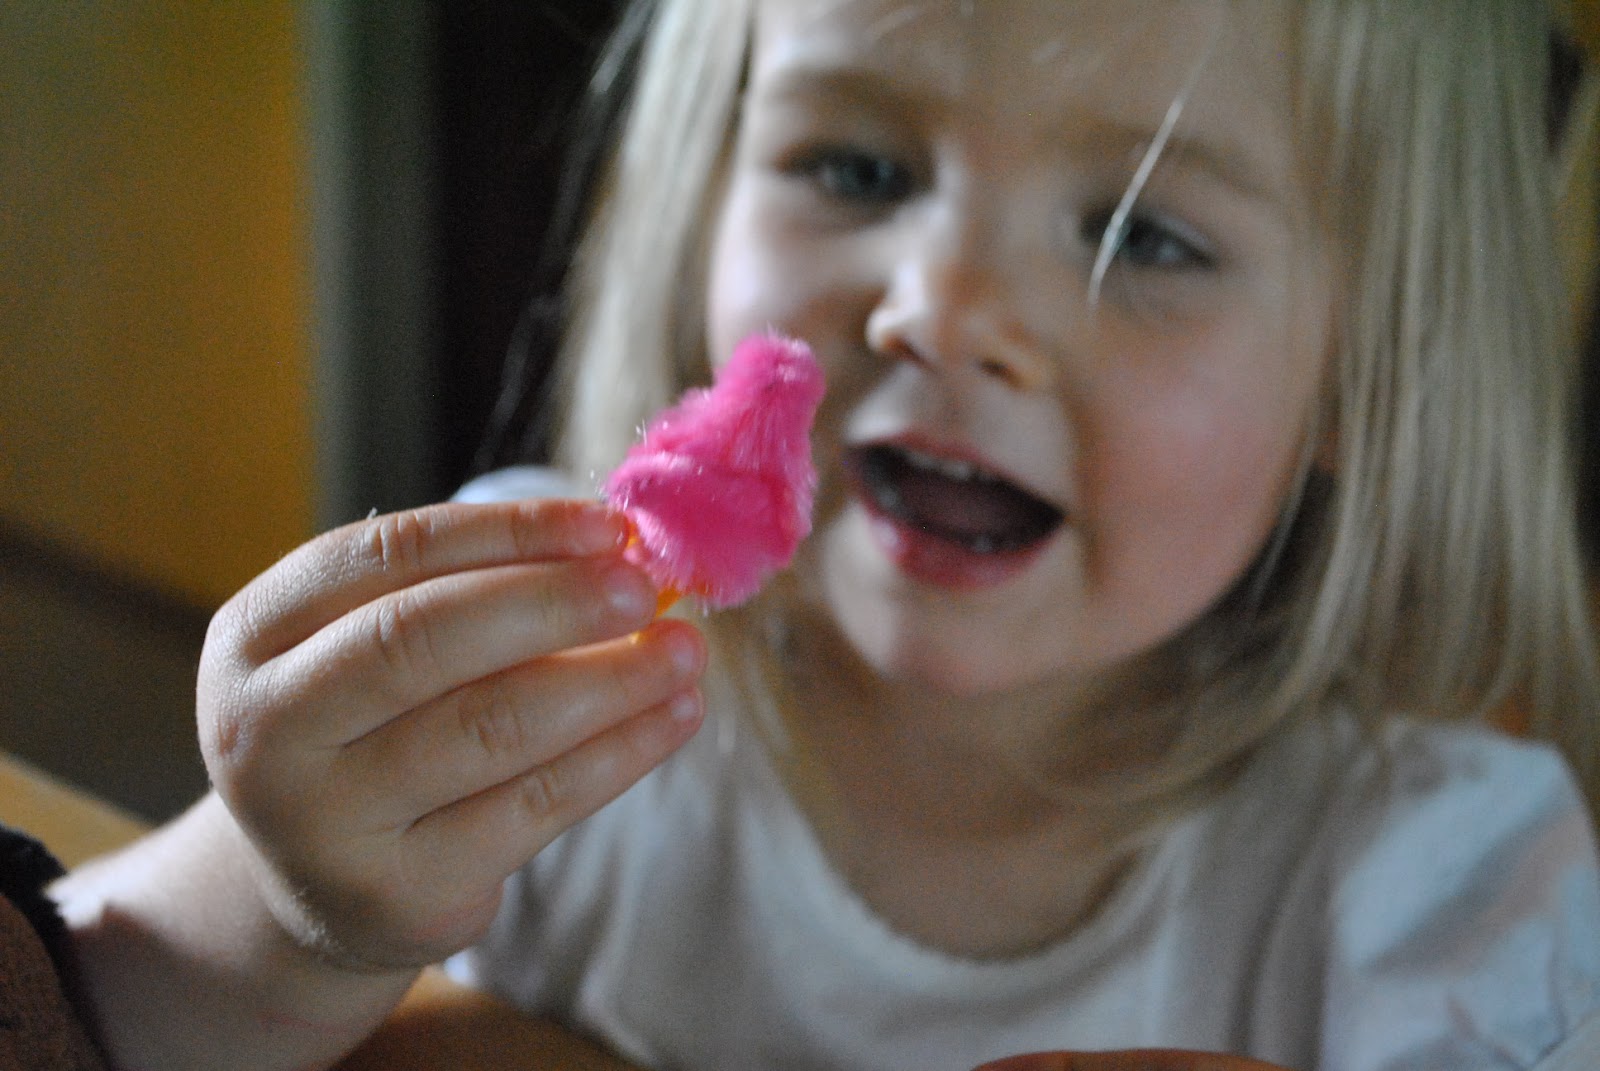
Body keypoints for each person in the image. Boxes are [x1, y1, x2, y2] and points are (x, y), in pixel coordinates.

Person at [45, 1, 1600, 1069]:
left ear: (1362, 371)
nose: (939, 309)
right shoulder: (551, 680)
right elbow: (90, 1013)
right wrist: (284, 906)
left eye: (1142, 233)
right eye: (857, 167)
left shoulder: (1441, 892)